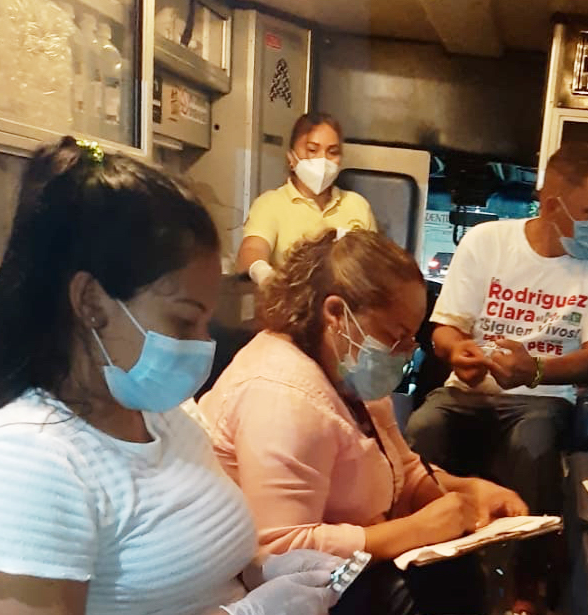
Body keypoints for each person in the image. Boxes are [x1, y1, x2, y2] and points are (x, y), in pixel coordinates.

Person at [0, 137, 343, 615]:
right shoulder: (24, 458)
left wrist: (261, 570)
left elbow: (191, 565)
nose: (203, 343)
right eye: (184, 320)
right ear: (91, 302)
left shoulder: (164, 413)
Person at [198, 228, 528, 615]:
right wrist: (417, 529)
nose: (405, 353)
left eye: (411, 338)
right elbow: (278, 554)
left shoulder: (348, 372)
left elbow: (401, 468)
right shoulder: (281, 397)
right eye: (394, 336)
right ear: (336, 313)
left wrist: (466, 490)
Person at [405, 142, 588, 614]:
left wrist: (538, 370)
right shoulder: (486, 242)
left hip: (545, 397)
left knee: (534, 443)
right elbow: (445, 329)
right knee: (423, 429)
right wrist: (457, 352)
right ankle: (422, 567)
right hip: (467, 393)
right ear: (551, 205)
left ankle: (527, 589)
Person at [235, 113, 377, 285]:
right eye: (312, 150)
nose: (323, 159)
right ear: (291, 158)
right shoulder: (270, 204)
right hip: (289, 298)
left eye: (332, 152)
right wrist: (264, 274)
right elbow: (252, 249)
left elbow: (376, 263)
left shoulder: (357, 205)